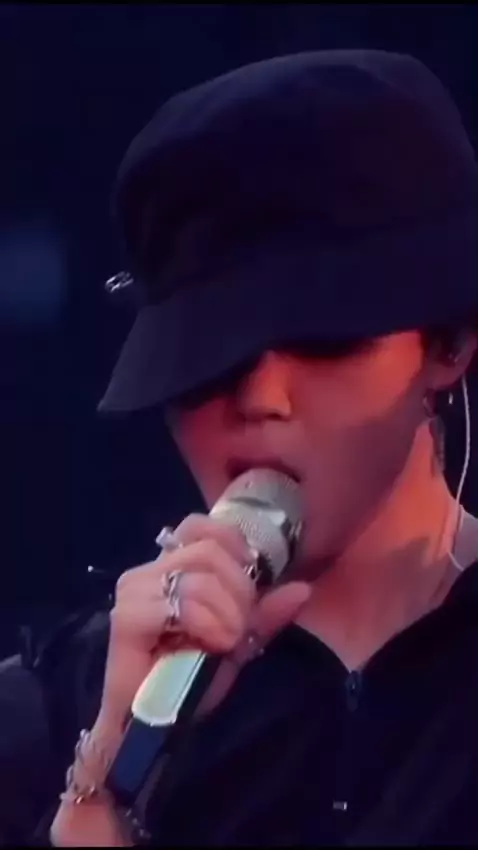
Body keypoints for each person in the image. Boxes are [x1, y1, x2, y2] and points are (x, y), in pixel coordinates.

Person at [5, 48, 478, 846]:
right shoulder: (49, 710)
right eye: (207, 353)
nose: (261, 400)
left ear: (451, 341)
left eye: (322, 338)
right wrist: (107, 783)